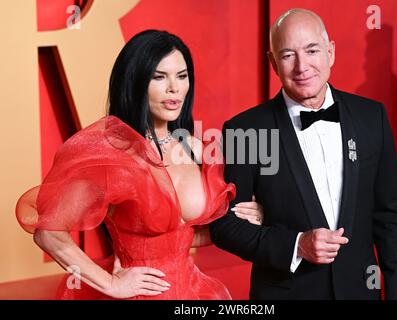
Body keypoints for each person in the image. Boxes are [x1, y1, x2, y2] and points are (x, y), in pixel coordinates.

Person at [15, 30, 264, 300]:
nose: (174, 88)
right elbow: (47, 234)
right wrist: (111, 284)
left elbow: (186, 235)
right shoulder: (111, 153)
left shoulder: (195, 149)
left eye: (182, 76)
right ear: (135, 81)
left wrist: (247, 216)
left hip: (191, 292)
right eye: (159, 77)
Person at [210, 8, 397, 299]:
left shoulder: (372, 117)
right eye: (287, 55)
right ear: (273, 63)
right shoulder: (246, 129)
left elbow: (391, 218)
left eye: (312, 50)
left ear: (330, 52)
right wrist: (296, 245)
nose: (302, 66)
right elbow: (224, 225)